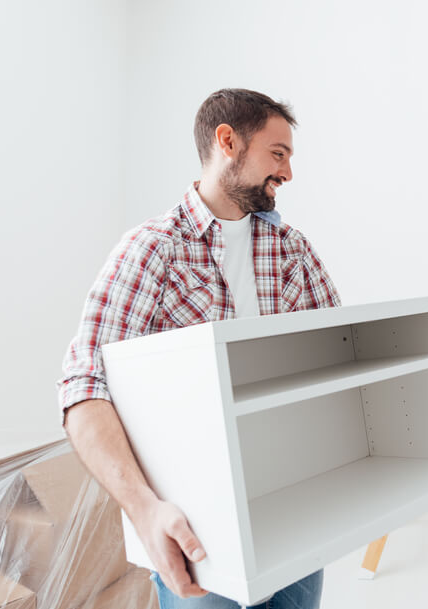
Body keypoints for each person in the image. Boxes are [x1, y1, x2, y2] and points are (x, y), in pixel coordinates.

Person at [58, 88, 340, 609]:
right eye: (278, 154)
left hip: (296, 512)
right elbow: (84, 386)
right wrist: (144, 510)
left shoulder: (294, 252)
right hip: (200, 531)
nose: (289, 174)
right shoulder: (152, 250)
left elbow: (341, 363)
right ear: (227, 142)